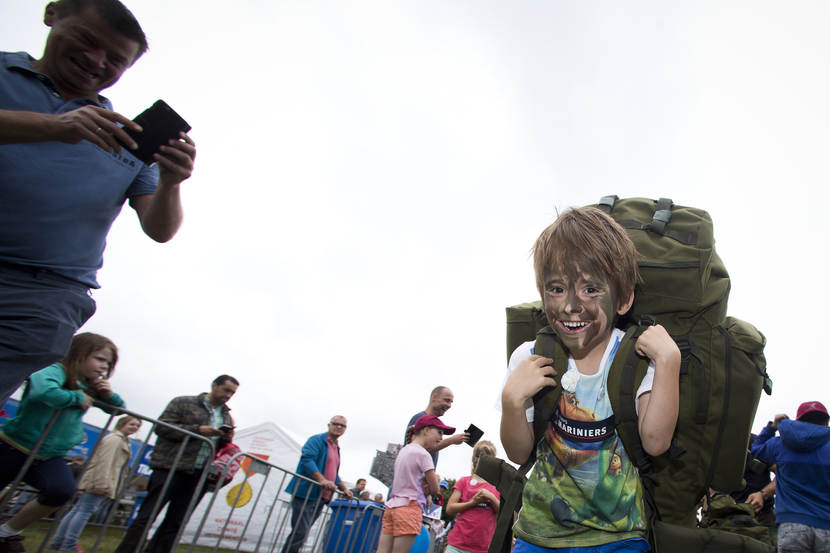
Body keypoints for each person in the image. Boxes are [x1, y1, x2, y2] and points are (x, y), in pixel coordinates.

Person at [0, 0, 197, 407]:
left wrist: (173, 183)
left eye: (115, 59)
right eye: (88, 41)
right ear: (52, 14)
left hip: (41, 295)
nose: (96, 61)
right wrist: (54, 126)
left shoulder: (127, 139)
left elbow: (160, 229)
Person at [500, 206, 680, 552]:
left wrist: (669, 361)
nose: (570, 305)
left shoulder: (636, 357)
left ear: (624, 298)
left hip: (620, 538)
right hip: (539, 536)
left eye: (591, 289)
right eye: (556, 288)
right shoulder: (530, 355)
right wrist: (512, 402)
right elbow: (518, 451)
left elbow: (656, 442)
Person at [0, 333, 124, 553]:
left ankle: (6, 532)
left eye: (108, 363)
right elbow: (42, 391)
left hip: (48, 455)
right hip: (14, 445)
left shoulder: (88, 385)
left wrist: (108, 395)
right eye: (99, 358)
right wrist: (76, 398)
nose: (103, 366)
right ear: (78, 353)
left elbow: (118, 410)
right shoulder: (54, 370)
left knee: (61, 491)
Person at [114, 375, 238, 553]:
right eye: (226, 390)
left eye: (232, 393)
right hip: (170, 467)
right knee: (147, 516)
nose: (228, 396)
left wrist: (225, 439)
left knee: (176, 522)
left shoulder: (226, 417)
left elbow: (218, 447)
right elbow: (162, 427)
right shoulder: (183, 402)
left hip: (198, 473)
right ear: (214, 385)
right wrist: (197, 430)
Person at [49, 415, 142, 552]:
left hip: (100, 479)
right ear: (122, 424)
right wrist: (101, 483)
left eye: (137, 426)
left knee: (78, 510)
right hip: (100, 480)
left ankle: (58, 542)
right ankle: (68, 544)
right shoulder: (115, 440)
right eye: (132, 424)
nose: (135, 428)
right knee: (84, 511)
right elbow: (105, 462)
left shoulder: (120, 439)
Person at [751, 400, 830, 553]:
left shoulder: (781, 443)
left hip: (791, 525)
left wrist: (771, 427)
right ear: (826, 421)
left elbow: (756, 449)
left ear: (798, 421)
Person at [379, 414, 453, 553]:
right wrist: (431, 488)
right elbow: (435, 489)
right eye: (439, 432)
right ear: (426, 430)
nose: (441, 438)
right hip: (410, 508)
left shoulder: (403, 451)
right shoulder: (424, 455)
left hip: (392, 506)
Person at [281, 416, 353, 553]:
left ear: (345, 429)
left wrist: (343, 487)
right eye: (335, 424)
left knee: (302, 533)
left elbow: (332, 472)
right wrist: (322, 480)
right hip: (306, 493)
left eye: (342, 425)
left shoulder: (336, 447)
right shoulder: (316, 440)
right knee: (299, 532)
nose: (338, 427)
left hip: (321, 497)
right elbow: (307, 460)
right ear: (328, 425)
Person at [445, 440, 501, 553]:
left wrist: (491, 497)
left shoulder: (497, 487)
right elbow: (449, 509)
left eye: (487, 456)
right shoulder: (464, 482)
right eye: (478, 455)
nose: (481, 459)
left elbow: (504, 514)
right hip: (457, 545)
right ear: (473, 458)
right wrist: (473, 502)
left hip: (482, 548)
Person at [406, 387, 468, 467]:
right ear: (434, 397)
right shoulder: (419, 419)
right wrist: (452, 440)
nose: (449, 405)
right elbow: (417, 450)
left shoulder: (431, 422)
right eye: (446, 400)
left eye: (451, 402)